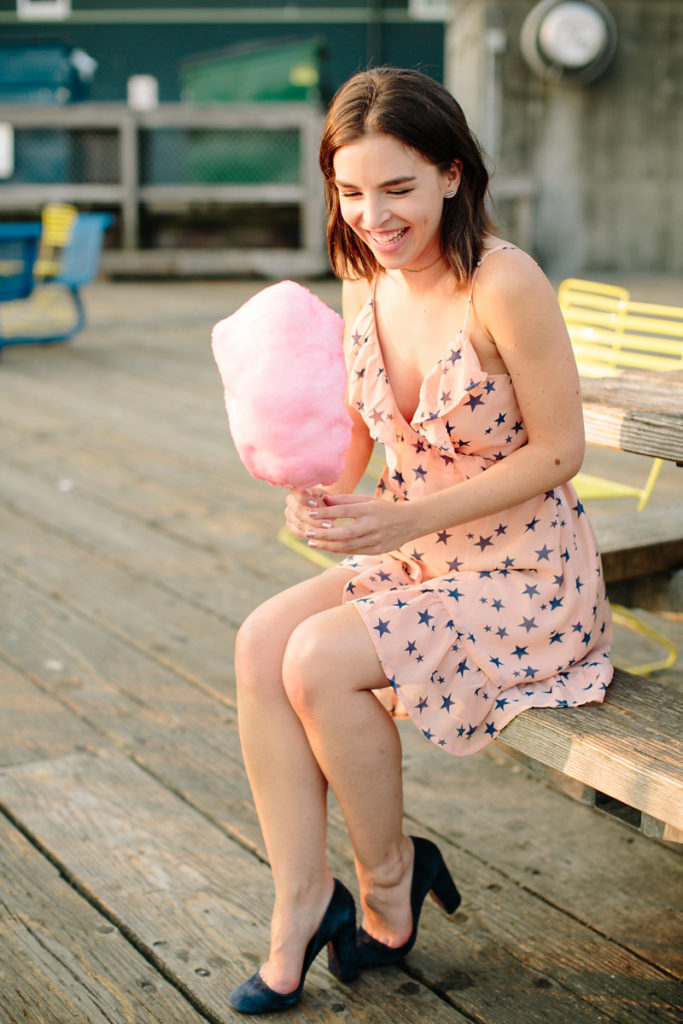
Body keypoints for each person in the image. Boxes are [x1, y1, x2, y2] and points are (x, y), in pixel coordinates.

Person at [228, 66, 613, 1014]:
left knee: (318, 659)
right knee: (258, 642)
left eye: (396, 188)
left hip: (526, 577)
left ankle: (388, 880)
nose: (372, 214)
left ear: (450, 174)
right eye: (350, 191)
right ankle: (302, 899)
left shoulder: (502, 282)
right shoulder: (366, 282)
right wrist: (314, 498)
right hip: (423, 557)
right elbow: (358, 450)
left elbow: (560, 453)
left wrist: (401, 520)